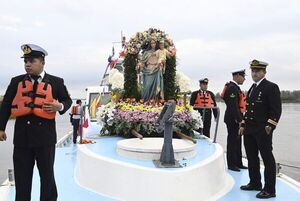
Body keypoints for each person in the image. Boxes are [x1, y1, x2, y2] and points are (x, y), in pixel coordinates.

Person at [0, 44, 72, 201]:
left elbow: (67, 100)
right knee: (22, 179)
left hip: (45, 140)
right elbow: (6, 105)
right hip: (22, 140)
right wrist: (1, 128)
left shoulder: (56, 82)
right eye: (25, 60)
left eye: (32, 60)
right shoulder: (16, 81)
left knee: (47, 179)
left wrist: (58, 106)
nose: (27, 64)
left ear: (42, 62)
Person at [239, 60, 282, 199]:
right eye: (253, 70)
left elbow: (276, 110)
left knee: (267, 159)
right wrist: (243, 124)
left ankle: (269, 189)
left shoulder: (271, 87)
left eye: (257, 71)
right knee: (251, 157)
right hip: (250, 130)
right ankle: (255, 182)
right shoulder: (252, 88)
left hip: (263, 130)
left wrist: (270, 126)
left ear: (264, 72)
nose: (254, 73)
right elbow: (249, 109)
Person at [221, 69, 247, 171]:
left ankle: (238, 163)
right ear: (237, 76)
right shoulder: (232, 88)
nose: (244, 79)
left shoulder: (235, 88)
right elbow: (233, 106)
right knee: (232, 141)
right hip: (233, 119)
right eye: (243, 76)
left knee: (238, 141)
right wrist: (240, 120)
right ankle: (231, 164)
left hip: (236, 118)